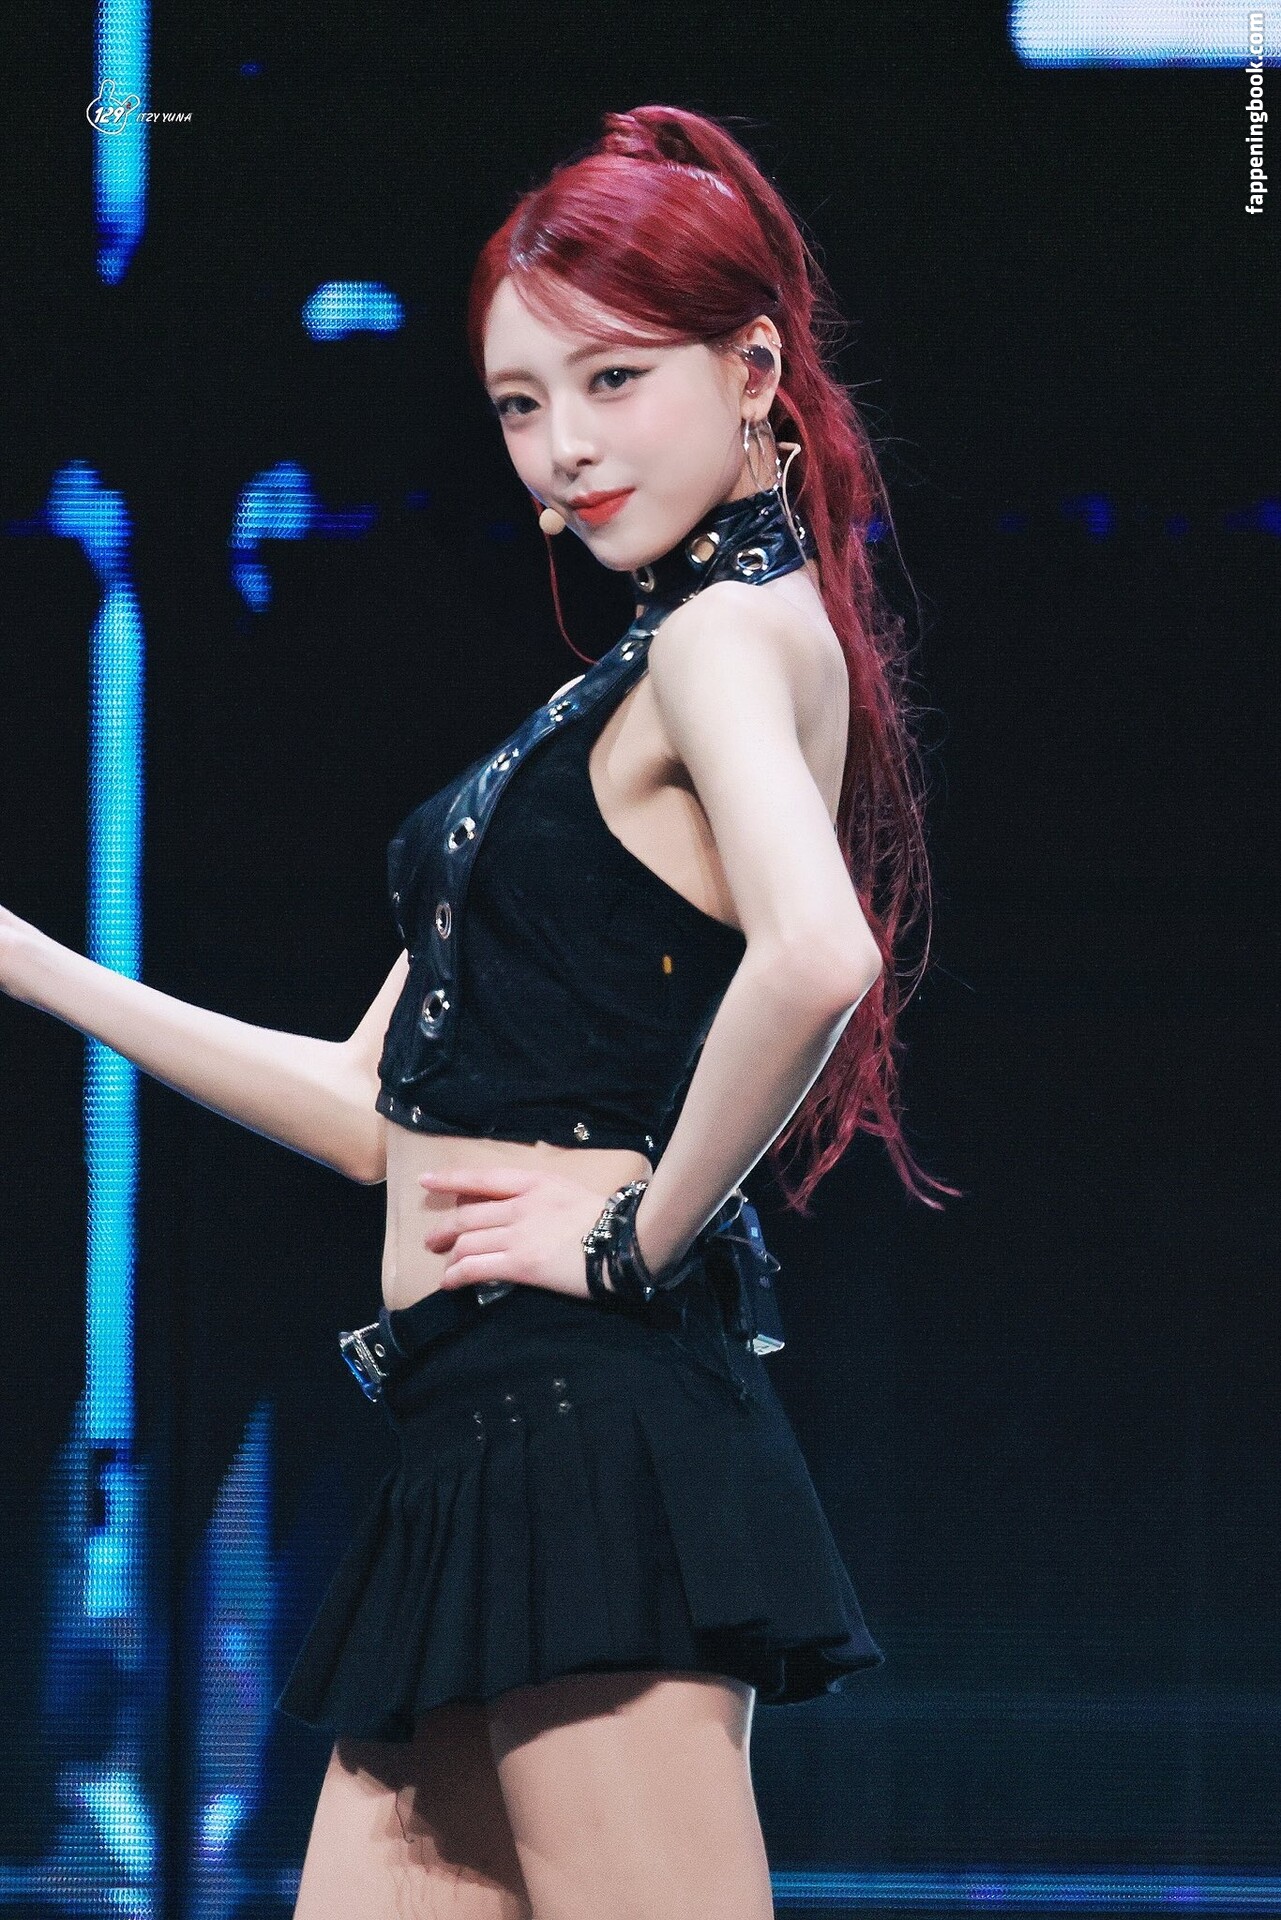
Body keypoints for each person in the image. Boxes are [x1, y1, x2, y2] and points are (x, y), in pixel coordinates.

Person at [0, 104, 956, 1920]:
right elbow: (376, 1107)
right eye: (521, 403)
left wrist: (631, 1238)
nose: (561, 446)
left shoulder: (721, 639)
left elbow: (817, 955)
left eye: (611, 380)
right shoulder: (633, 675)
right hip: (481, 1439)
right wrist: (32, 964)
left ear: (755, 373)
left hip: (586, 1434)